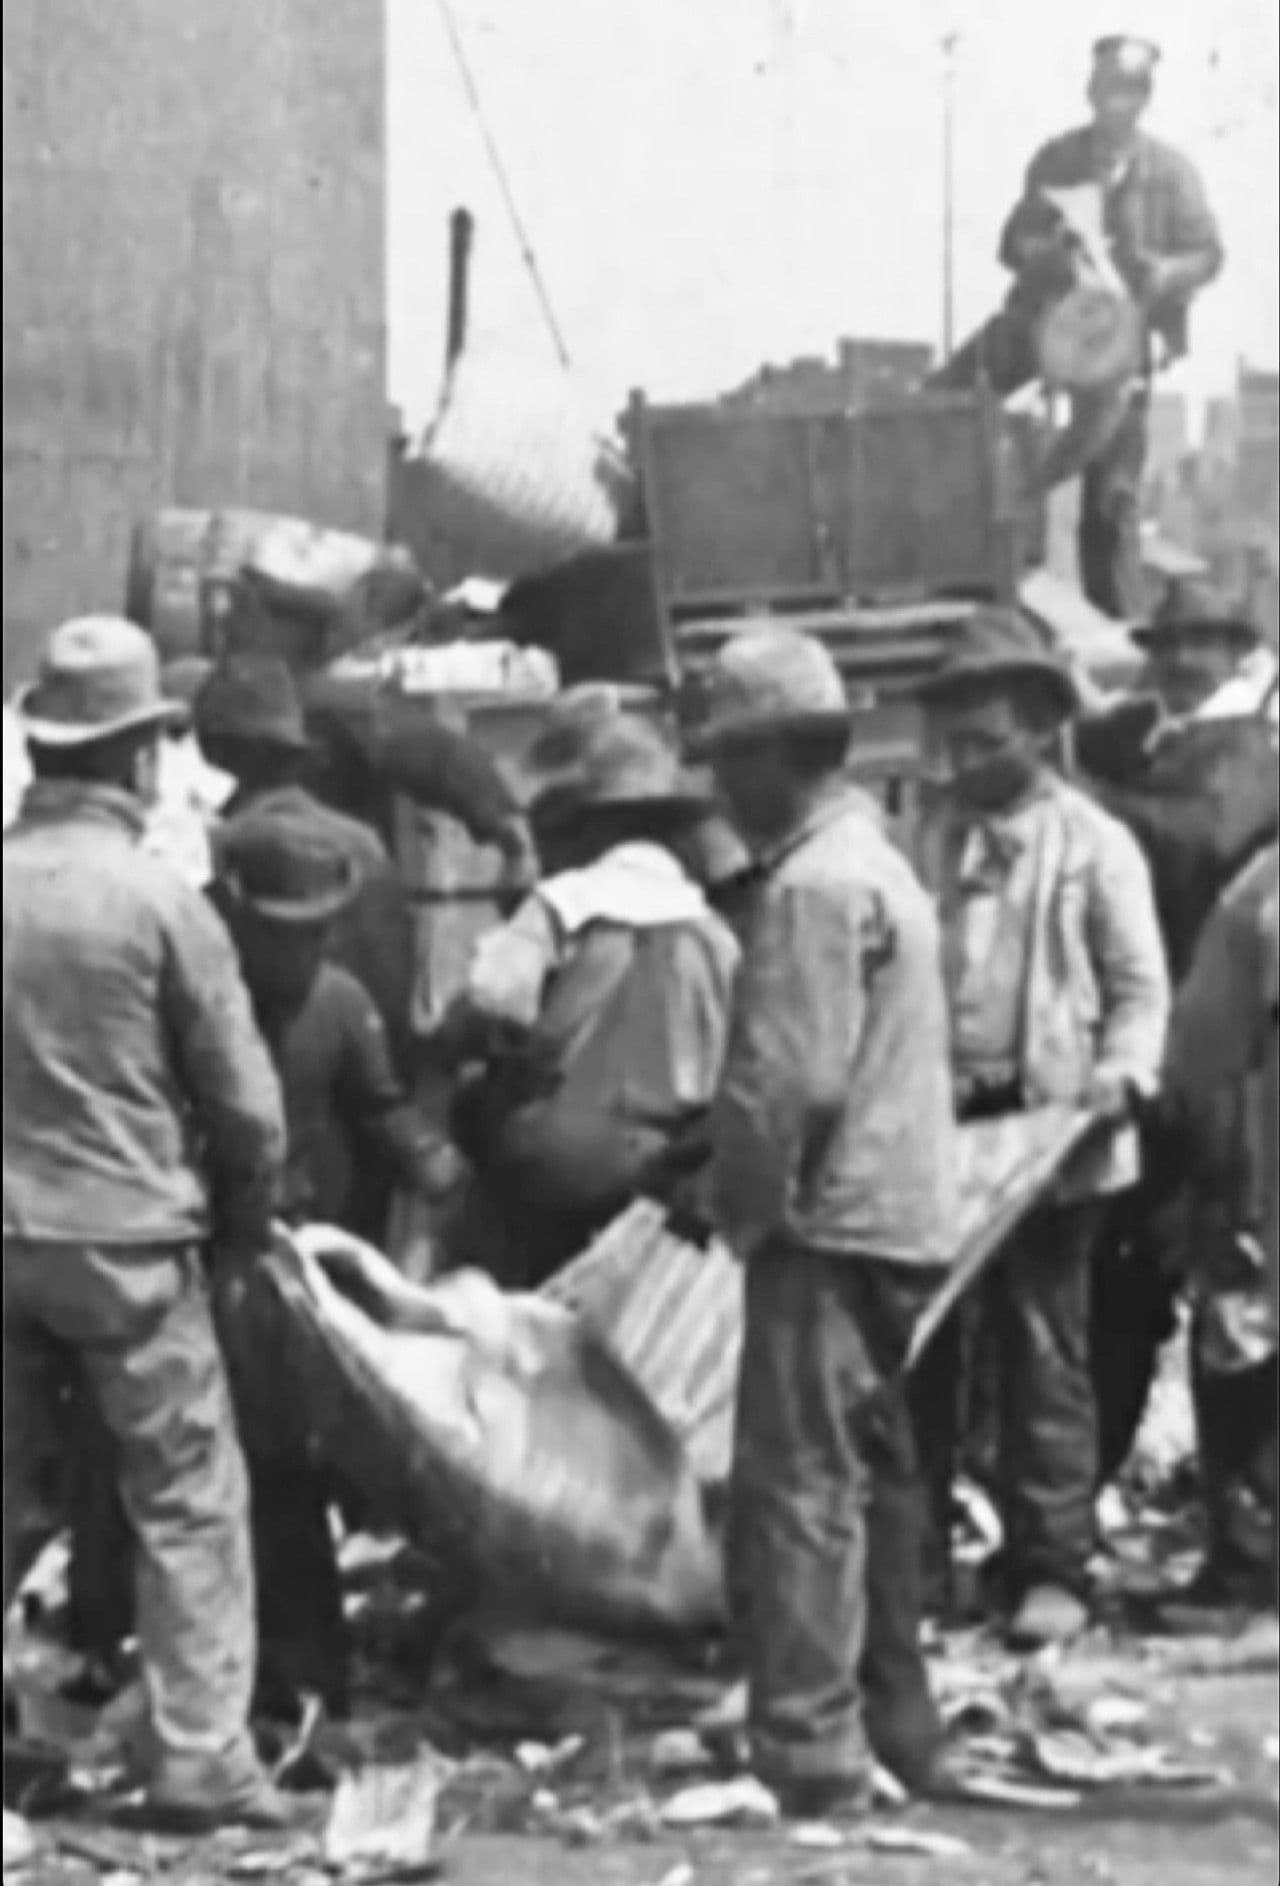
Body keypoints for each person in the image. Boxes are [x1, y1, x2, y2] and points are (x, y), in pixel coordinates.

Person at [3, 617, 294, 1830]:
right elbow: (245, 1105)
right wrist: (242, 1221)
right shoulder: (159, 900)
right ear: (133, 759)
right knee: (183, 1493)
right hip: (126, 1238)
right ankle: (196, 1755)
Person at [693, 626, 958, 1816]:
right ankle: (892, 1716)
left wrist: (734, 1204)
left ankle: (806, 1741)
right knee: (875, 1482)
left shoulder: (808, 887)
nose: (715, 787)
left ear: (767, 757)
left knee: (795, 1483)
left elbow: (786, 1083)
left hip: (828, 1225)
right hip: (900, 1220)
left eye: (724, 760)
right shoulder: (876, 860)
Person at [914, 606, 1170, 1647]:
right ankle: (916, 1555)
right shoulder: (928, 836)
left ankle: (1049, 1560)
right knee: (924, 1352)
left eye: (989, 740)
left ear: (1035, 728)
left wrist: (1118, 1073)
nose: (970, 760)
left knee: (1038, 1352)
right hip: (941, 1136)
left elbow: (1137, 986)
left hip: (1051, 1143)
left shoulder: (1093, 845)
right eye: (957, 741)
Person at [439, 710, 740, 1289]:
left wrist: (473, 1039)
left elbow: (494, 999)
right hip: (668, 1166)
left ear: (580, 828)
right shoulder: (714, 930)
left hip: (561, 1159)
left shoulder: (565, 900)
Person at [934, 36, 1223, 620]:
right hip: (1047, 326)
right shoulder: (1057, 160)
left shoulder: (1171, 173)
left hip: (1122, 345)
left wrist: (1163, 272)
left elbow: (1208, 254)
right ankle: (930, 490)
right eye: (1105, 90)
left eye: (1127, 91)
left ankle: (1115, 621)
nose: (1113, 103)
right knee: (954, 399)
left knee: (1111, 496)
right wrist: (1055, 253)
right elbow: (1012, 244)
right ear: (1091, 93)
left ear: (1143, 98)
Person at [1163, 841, 1279, 1611]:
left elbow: (1199, 1057)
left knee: (1244, 1347)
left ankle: (1248, 1565)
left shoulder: (1260, 892)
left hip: (1259, 1171)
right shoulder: (1257, 893)